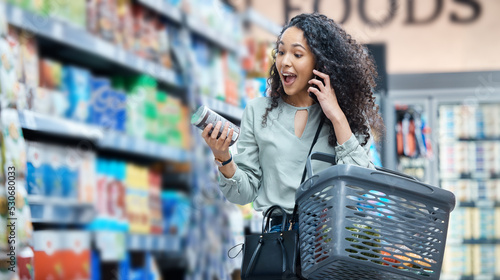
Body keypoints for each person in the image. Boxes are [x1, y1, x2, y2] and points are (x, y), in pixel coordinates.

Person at [201, 13, 384, 230]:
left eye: (297, 54)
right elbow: (244, 194)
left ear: (321, 62)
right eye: (280, 52)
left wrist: (336, 115)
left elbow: (358, 187)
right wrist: (223, 157)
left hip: (329, 243)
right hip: (277, 244)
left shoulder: (347, 117)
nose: (285, 61)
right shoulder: (258, 112)